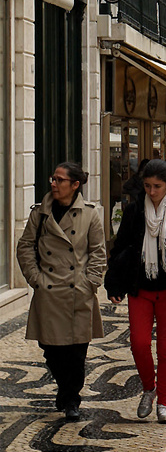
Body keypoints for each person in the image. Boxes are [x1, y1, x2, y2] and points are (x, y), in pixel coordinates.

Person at [104, 159, 166, 424]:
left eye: (157, 186)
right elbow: (120, 247)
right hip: (141, 288)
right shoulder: (134, 212)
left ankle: (163, 402)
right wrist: (113, 283)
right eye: (147, 186)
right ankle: (148, 388)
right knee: (138, 343)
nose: (152, 191)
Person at [16, 162, 106, 421]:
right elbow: (25, 247)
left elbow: (98, 253)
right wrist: (36, 280)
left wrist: (90, 283)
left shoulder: (89, 214)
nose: (53, 184)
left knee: (77, 353)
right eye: (52, 179)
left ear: (75, 185)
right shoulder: (40, 213)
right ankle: (66, 391)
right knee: (51, 349)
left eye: (59, 180)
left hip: (78, 292)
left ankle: (71, 399)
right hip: (49, 291)